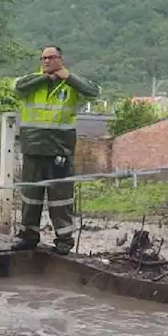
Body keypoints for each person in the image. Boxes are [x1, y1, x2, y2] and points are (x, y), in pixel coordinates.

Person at [14, 45, 99, 254]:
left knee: (61, 197)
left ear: (60, 59)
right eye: (43, 58)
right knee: (30, 197)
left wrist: (66, 76)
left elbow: (93, 91)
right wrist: (46, 78)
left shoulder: (70, 86)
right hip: (33, 149)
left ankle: (63, 240)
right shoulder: (32, 82)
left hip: (60, 151)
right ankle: (28, 236)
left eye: (51, 58)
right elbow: (18, 88)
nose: (46, 61)